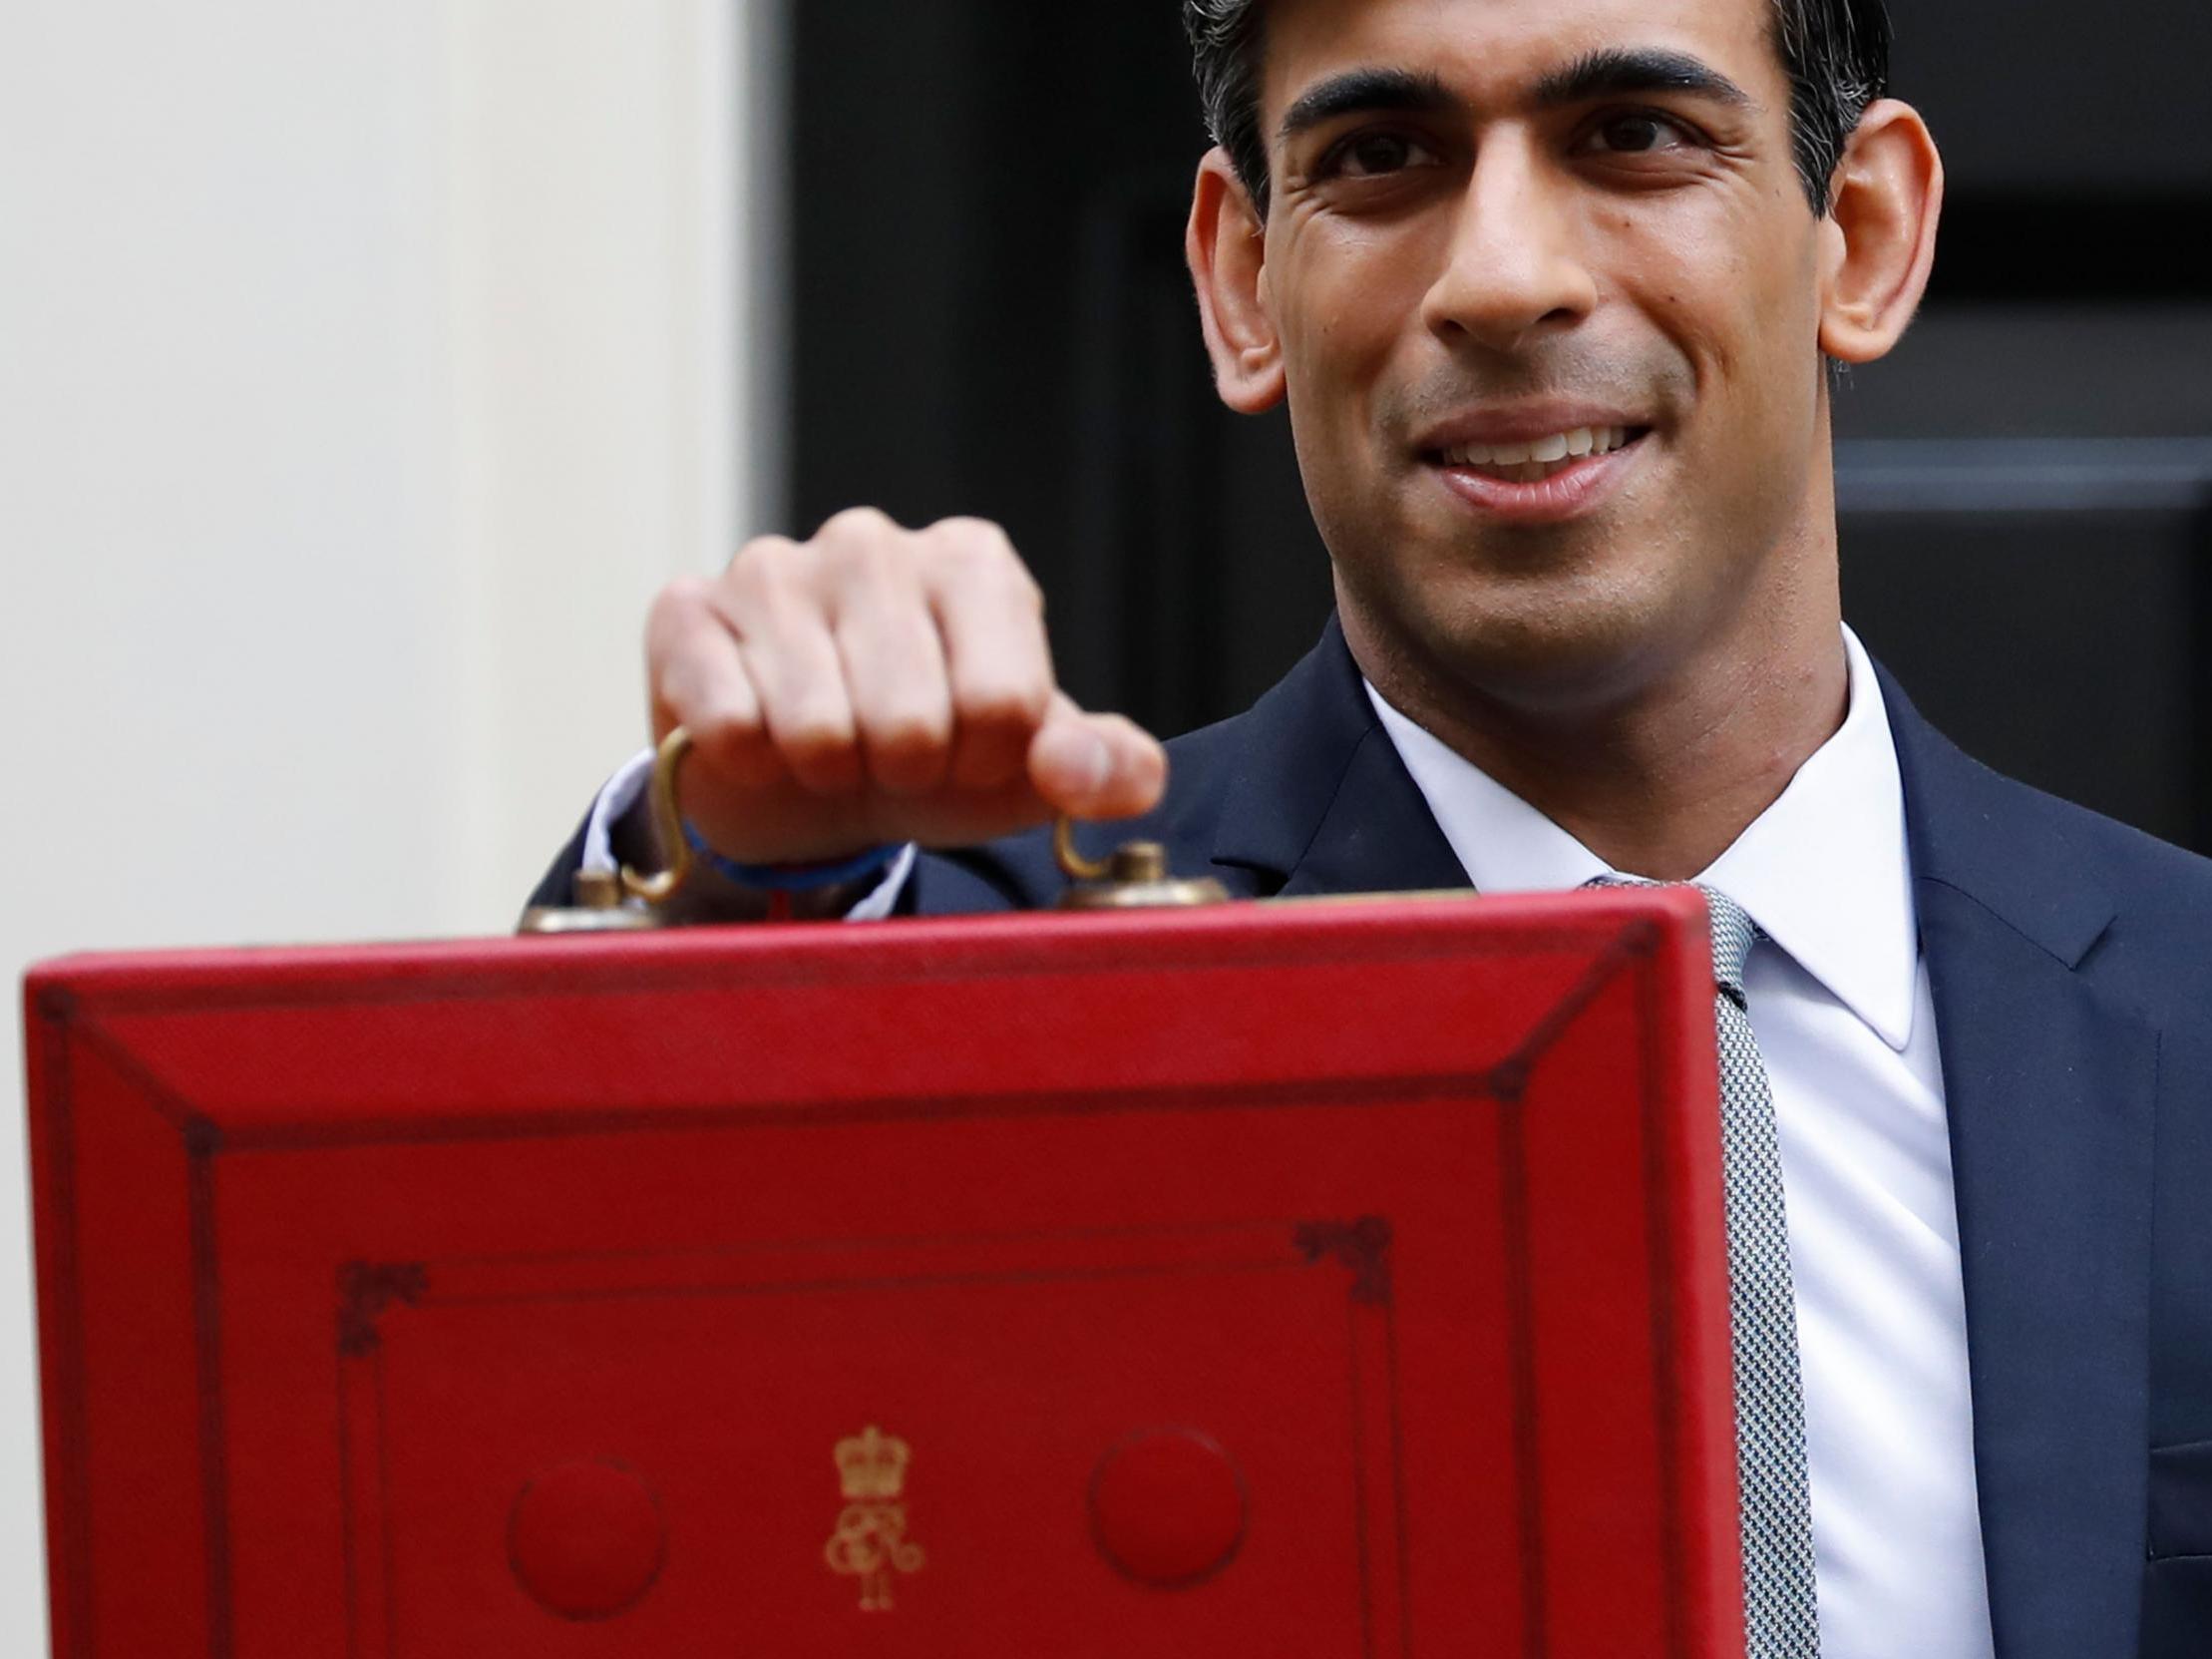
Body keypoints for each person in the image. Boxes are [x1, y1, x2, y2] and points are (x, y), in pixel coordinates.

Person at [531, 1, 2212, 1654]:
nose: (1498, 277)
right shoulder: (961, 978)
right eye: (1382, 156)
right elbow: (542, 1425)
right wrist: (721, 865)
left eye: (1630, 138)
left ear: (1857, 232)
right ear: (1238, 282)